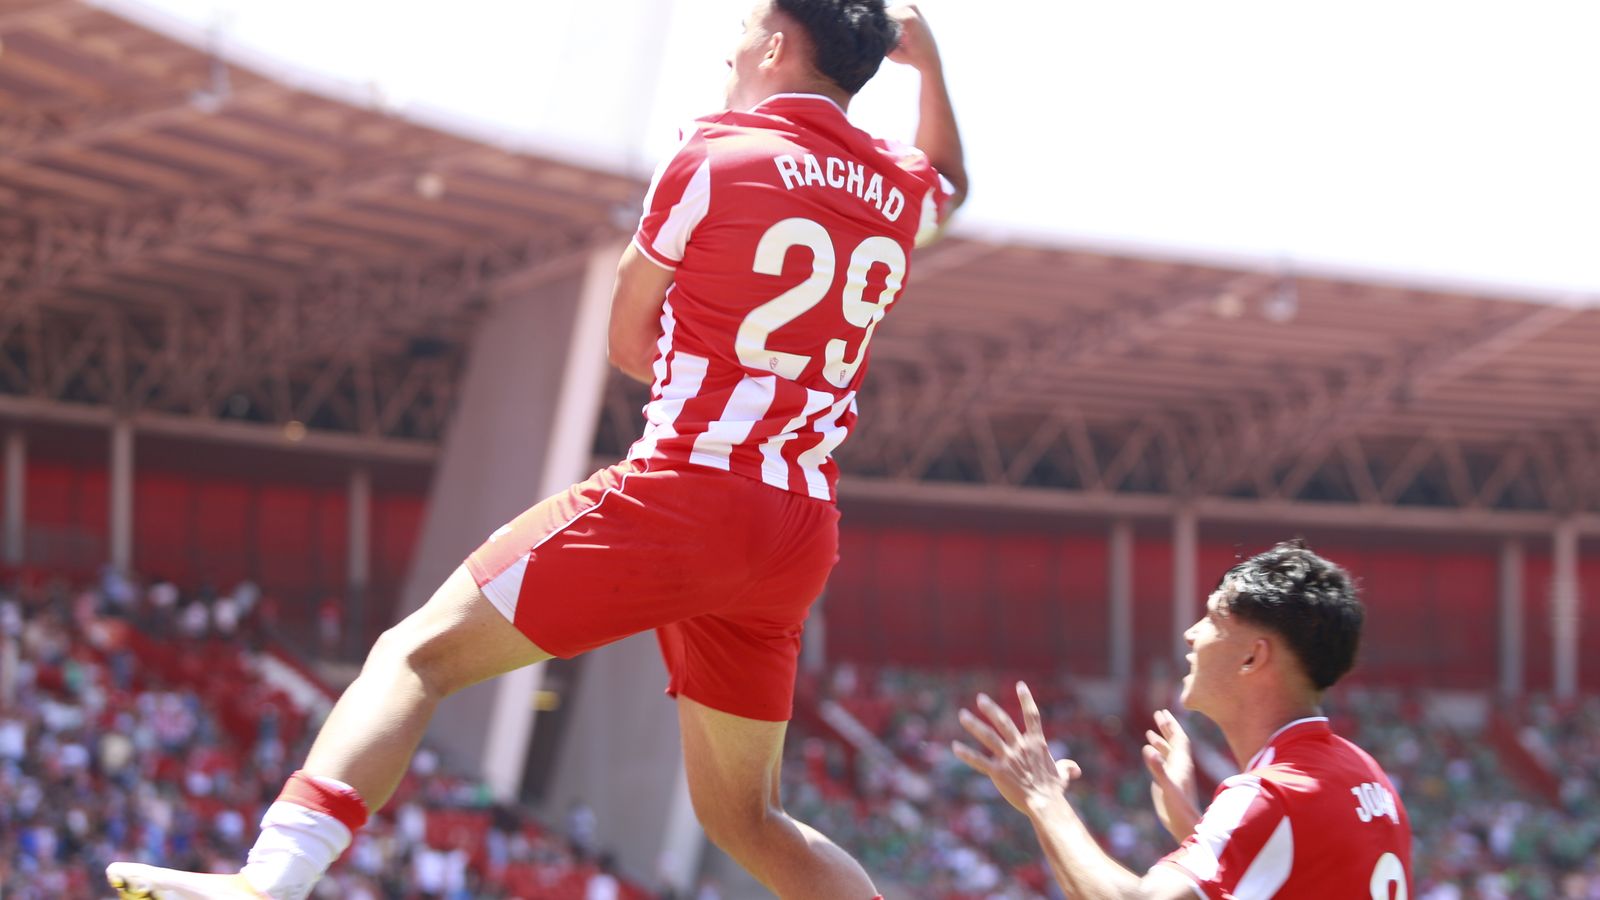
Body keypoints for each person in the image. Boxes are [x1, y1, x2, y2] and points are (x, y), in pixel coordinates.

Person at [107, 2, 965, 898]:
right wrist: (930, 66)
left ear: (780, 45)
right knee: (748, 819)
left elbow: (628, 345)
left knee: (412, 658)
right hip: (798, 528)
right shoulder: (898, 188)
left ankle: (267, 883)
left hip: (688, 493)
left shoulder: (713, 154)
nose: (732, 38)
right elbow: (950, 178)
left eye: (748, 23)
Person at [954, 540, 1412, 898]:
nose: (1192, 634)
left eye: (1213, 618)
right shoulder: (1367, 776)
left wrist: (1042, 797)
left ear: (1253, 657)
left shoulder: (1269, 796)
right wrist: (1194, 826)